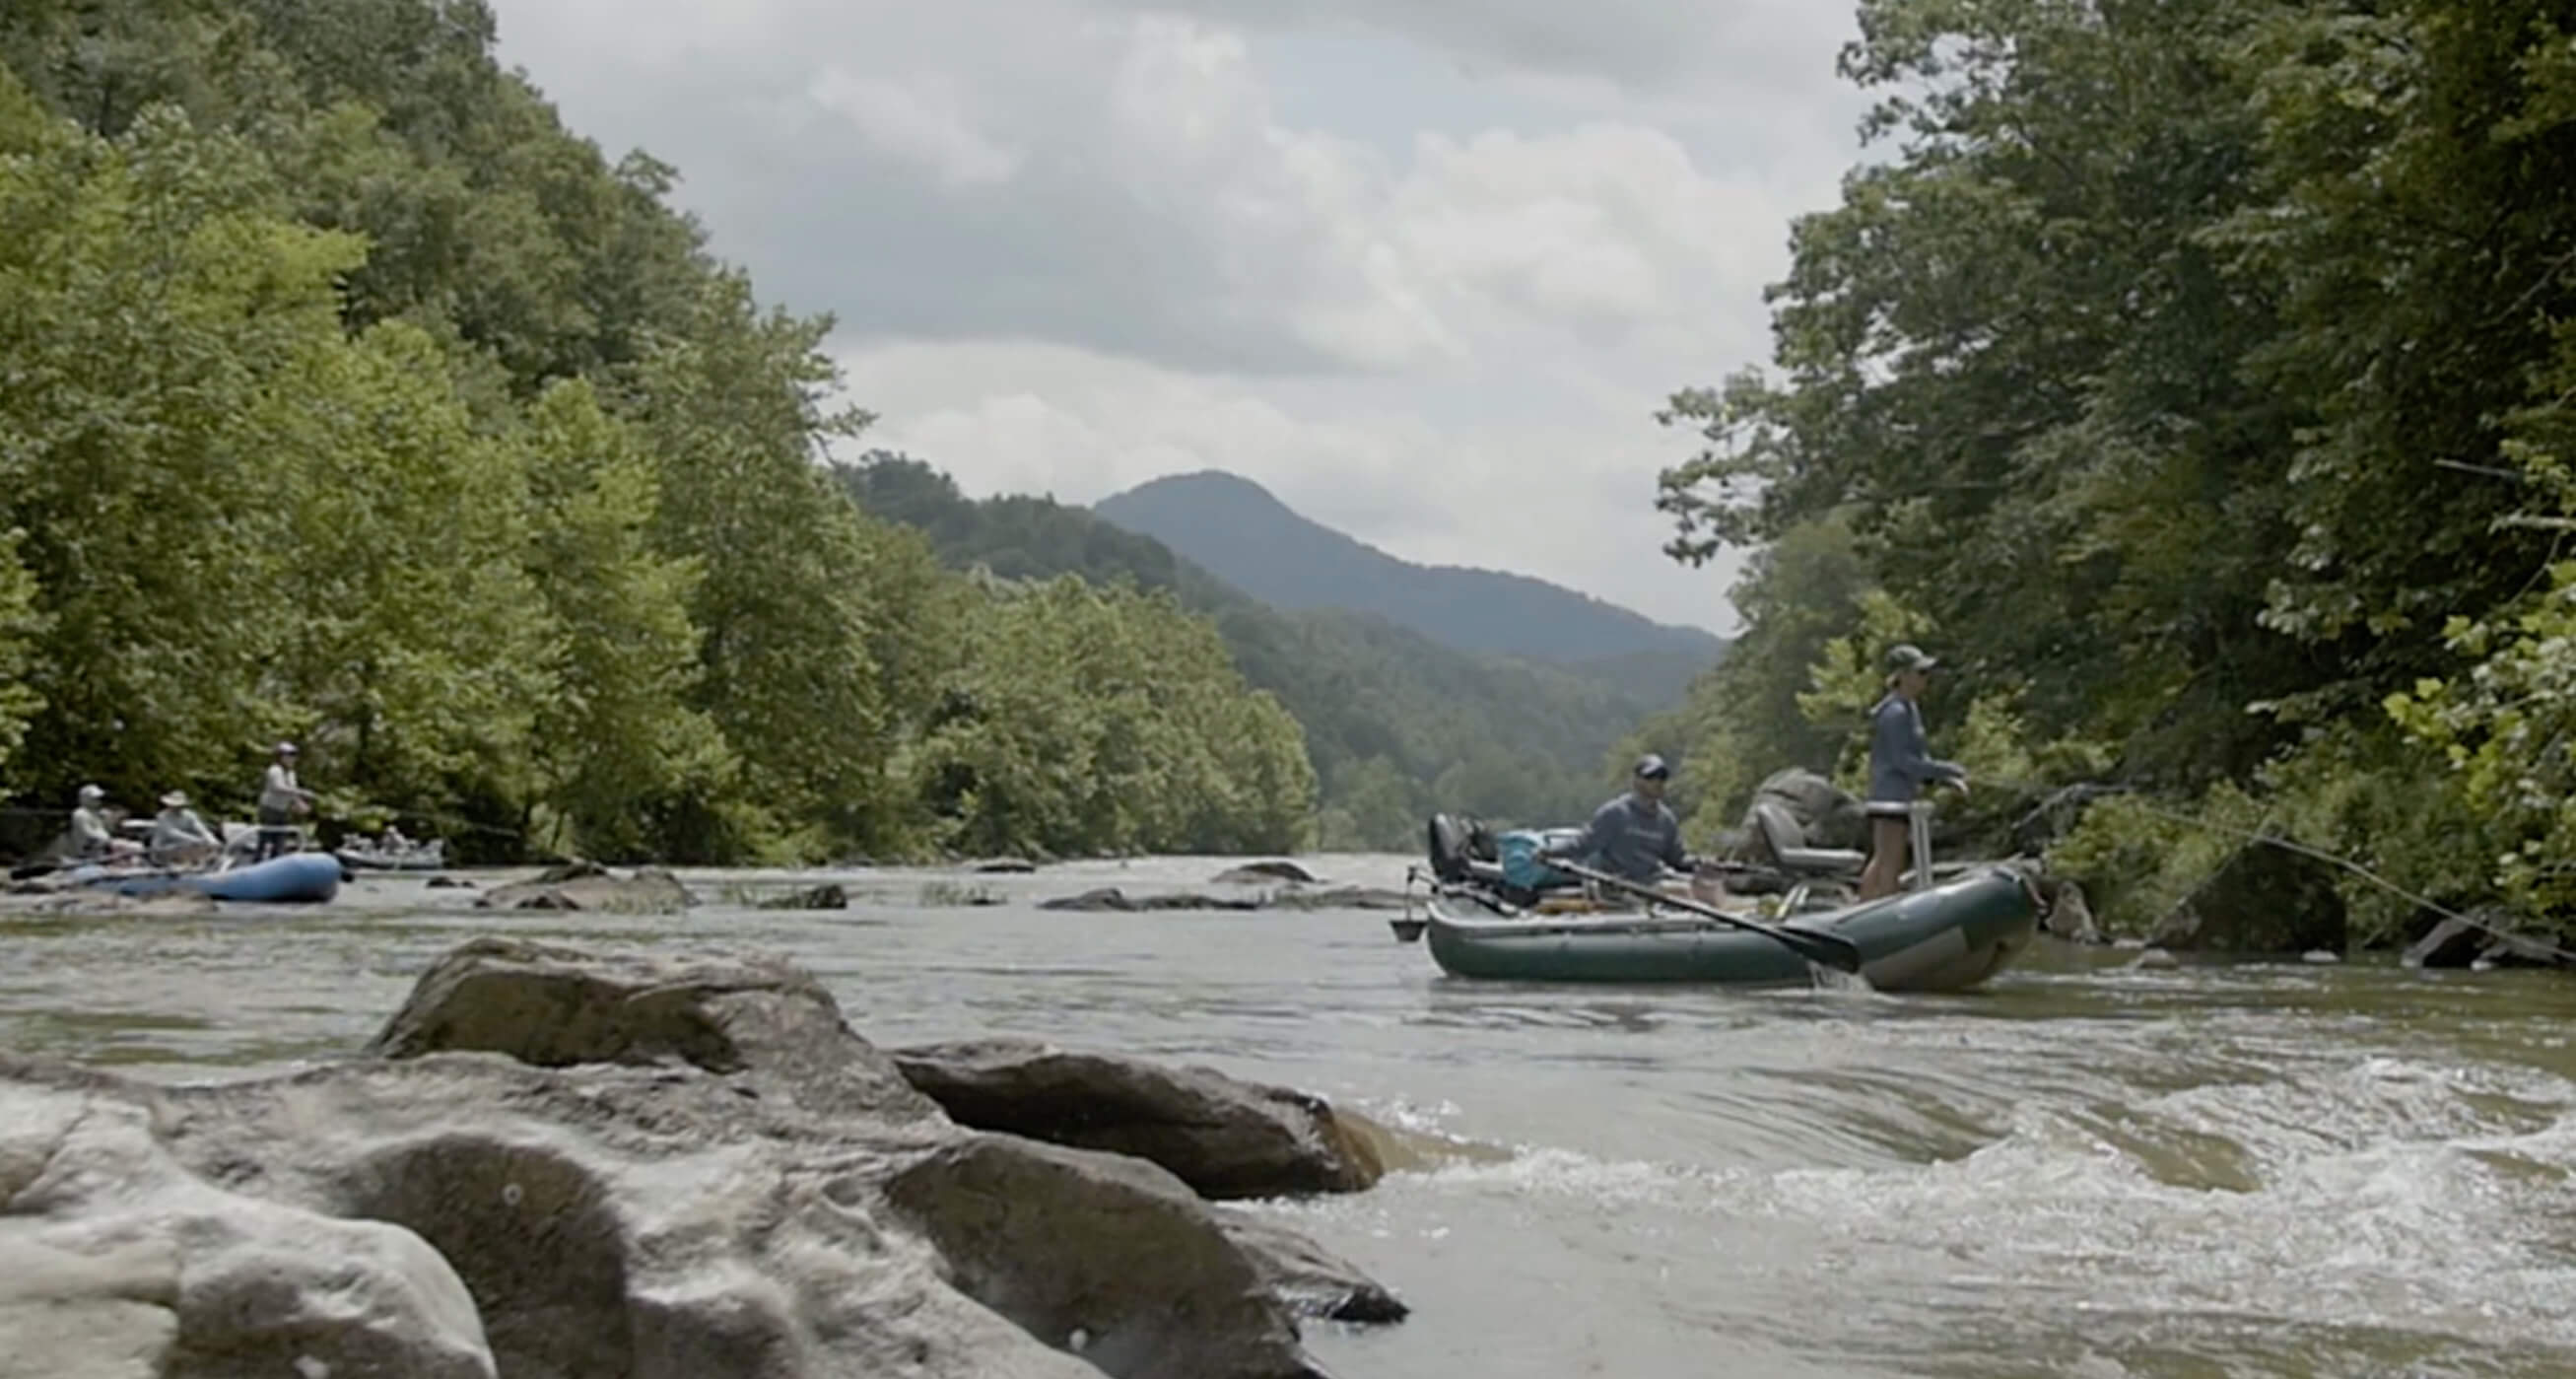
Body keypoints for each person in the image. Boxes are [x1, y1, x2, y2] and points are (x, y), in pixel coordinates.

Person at [1858, 644, 1969, 900]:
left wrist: (1948, 778)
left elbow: (1920, 758)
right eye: (1920, 673)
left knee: (1884, 858)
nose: (1925, 679)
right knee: (1889, 862)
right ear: (1902, 676)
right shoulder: (1894, 713)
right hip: (1888, 798)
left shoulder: (1911, 708)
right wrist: (1947, 769)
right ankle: (1881, 915)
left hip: (1901, 796)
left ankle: (1863, 907)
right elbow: (1903, 761)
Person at [1542, 754, 1695, 890]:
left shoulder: (1667, 820)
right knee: (1681, 891)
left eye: (1662, 777)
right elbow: (1583, 844)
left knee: (1699, 888)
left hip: (1654, 882)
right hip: (1619, 885)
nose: (1657, 782)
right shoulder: (1615, 813)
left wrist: (1701, 864)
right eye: (1650, 777)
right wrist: (1549, 852)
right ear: (1636, 781)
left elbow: (1677, 858)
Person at [255, 741, 316, 861]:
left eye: (294, 755)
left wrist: (299, 803)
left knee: (280, 843)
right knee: (264, 841)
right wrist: (302, 792)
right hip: (269, 810)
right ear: (280, 757)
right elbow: (278, 787)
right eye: (289, 755)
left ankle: (275, 866)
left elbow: (291, 791)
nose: (292, 758)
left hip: (282, 811)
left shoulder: (291, 773)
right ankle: (257, 864)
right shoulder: (275, 770)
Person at [147, 791, 220, 867]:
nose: (176, 807)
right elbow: (172, 833)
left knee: (206, 852)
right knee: (188, 851)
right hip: (163, 849)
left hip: (185, 846)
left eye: (179, 805)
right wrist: (195, 839)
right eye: (173, 805)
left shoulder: (190, 815)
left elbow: (201, 829)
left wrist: (211, 839)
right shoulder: (162, 817)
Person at [63, 784, 116, 862]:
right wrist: (107, 840)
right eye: (94, 798)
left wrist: (108, 820)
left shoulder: (96, 813)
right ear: (85, 798)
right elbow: (88, 833)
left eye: (99, 798)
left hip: (101, 850)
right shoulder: (80, 814)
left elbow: (109, 830)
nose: (98, 800)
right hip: (87, 852)